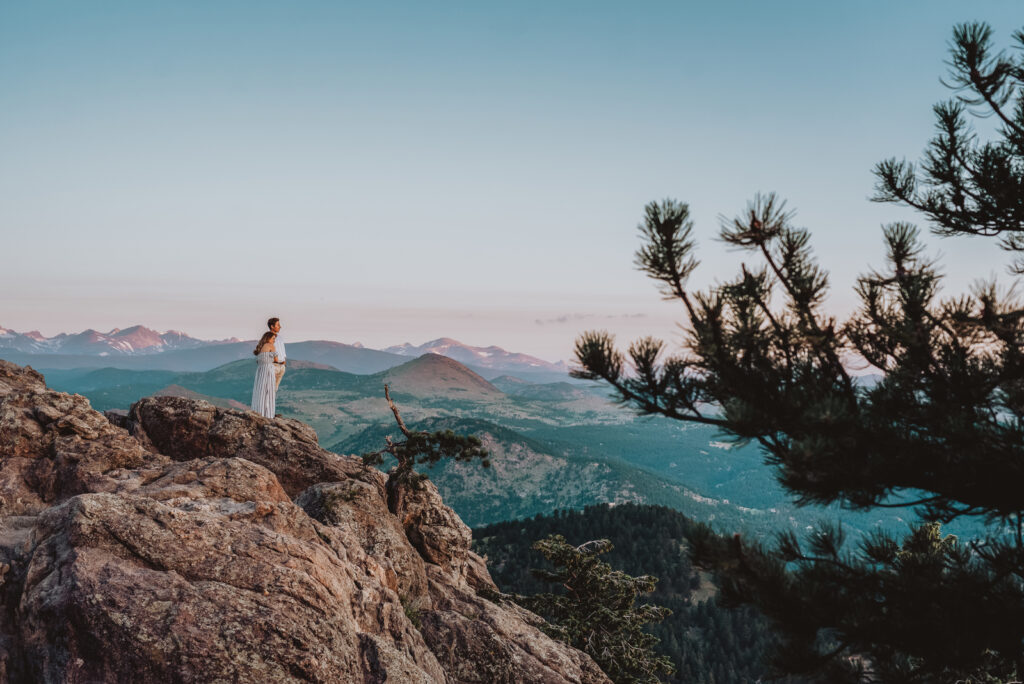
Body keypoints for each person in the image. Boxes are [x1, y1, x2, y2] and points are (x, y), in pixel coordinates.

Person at [251, 327, 283, 419]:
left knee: (260, 391)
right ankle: (268, 413)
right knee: (268, 391)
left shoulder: (261, 348)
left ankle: (259, 411)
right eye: (273, 339)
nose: (274, 341)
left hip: (260, 371)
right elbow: (276, 360)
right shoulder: (270, 346)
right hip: (268, 370)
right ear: (268, 338)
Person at [268, 317, 286, 390]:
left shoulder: (280, 338)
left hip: (282, 366)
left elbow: (282, 350)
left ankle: (271, 401)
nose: (280, 327)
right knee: (269, 388)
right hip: (274, 365)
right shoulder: (268, 338)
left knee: (275, 389)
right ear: (272, 326)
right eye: (278, 325)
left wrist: (284, 362)